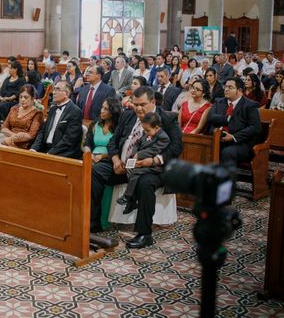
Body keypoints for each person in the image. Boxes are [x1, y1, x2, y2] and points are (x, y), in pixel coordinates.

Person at [91, 86, 183, 248]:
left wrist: (154, 160)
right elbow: (114, 141)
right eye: (135, 104)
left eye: (143, 104)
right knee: (94, 171)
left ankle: (144, 233)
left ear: (153, 102)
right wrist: (115, 160)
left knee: (145, 182)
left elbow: (176, 147)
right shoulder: (128, 116)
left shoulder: (167, 118)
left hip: (153, 168)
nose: (138, 108)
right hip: (124, 164)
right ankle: (94, 221)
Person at [116, 112, 171, 213]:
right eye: (144, 130)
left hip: (154, 166)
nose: (145, 132)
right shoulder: (147, 132)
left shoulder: (163, 138)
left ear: (157, 127)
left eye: (147, 130)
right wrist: (134, 154)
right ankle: (132, 201)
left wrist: (140, 155)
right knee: (129, 169)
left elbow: (154, 150)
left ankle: (127, 196)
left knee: (136, 172)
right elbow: (137, 143)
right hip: (140, 160)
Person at [208, 77, 262, 168]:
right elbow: (211, 117)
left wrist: (233, 137)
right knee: (202, 146)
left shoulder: (250, 105)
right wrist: (228, 119)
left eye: (230, 87)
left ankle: (226, 180)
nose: (226, 89)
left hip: (239, 142)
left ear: (240, 90)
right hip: (218, 137)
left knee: (227, 152)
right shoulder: (219, 101)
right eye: (225, 87)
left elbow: (255, 127)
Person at [30, 81, 83, 159]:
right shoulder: (53, 109)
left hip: (63, 152)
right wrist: (34, 148)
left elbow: (69, 139)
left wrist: (50, 153)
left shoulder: (75, 111)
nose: (53, 92)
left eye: (57, 90)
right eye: (54, 89)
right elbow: (43, 131)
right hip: (46, 148)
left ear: (67, 93)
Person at [0, 84, 44, 149]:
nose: (22, 100)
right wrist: (14, 136)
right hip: (9, 141)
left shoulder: (37, 113)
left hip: (25, 145)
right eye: (20, 97)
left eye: (26, 97)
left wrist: (10, 139)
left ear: (33, 98)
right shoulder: (14, 109)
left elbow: (30, 135)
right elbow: (3, 128)